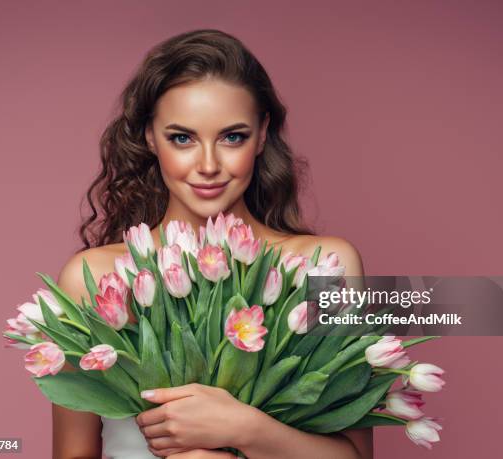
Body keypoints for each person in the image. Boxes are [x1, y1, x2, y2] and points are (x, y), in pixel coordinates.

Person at [52, 29, 372, 459]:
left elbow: (355, 456)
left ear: (262, 135)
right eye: (181, 138)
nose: (207, 165)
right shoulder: (93, 279)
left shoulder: (323, 264)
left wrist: (245, 428)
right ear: (150, 137)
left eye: (232, 137)